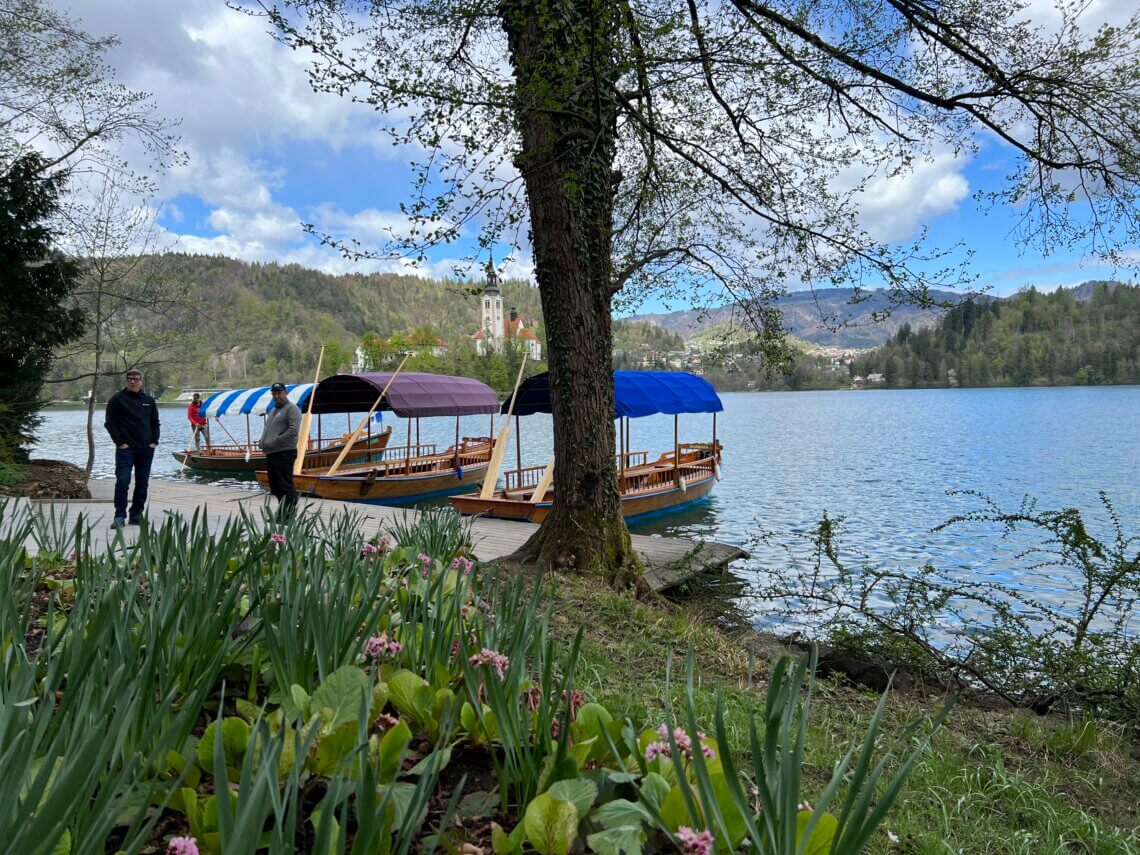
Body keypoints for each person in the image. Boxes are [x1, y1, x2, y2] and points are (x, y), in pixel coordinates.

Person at [104, 369, 160, 529]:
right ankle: (119, 516)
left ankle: (136, 515)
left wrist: (154, 442)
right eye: (130, 379)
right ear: (126, 381)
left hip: (146, 449)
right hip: (126, 449)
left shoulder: (149, 400)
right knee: (122, 482)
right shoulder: (117, 400)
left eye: (136, 379)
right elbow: (110, 423)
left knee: (142, 483)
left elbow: (155, 422)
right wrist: (120, 442)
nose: (133, 382)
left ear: (141, 381)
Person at [259, 382, 301, 518]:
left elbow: (293, 431)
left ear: (285, 393)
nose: (277, 396)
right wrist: (262, 441)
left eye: (279, 393)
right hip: (272, 453)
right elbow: (268, 429)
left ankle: (289, 514)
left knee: (285, 485)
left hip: (284, 452)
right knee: (275, 486)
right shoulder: (273, 410)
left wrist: (273, 441)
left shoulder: (292, 409)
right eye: (274, 393)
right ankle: (283, 511)